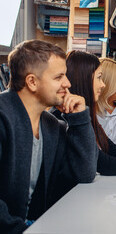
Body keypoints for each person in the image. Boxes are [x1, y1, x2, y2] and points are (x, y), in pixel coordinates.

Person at [0, 40, 97, 234]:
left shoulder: (52, 126)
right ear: (32, 82)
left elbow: (83, 175)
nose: (68, 84)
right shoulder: (3, 117)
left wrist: (79, 119)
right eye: (59, 77)